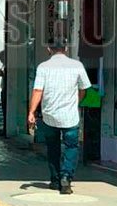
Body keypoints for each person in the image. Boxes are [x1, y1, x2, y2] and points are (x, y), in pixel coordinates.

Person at [27, 39, 91, 195]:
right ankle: (66, 177)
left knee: (53, 147)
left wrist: (31, 112)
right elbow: (84, 88)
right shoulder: (77, 65)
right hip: (70, 116)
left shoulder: (43, 67)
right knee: (71, 147)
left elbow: (37, 91)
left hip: (50, 115)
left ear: (49, 49)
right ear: (66, 48)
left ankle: (55, 180)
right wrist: (76, 101)